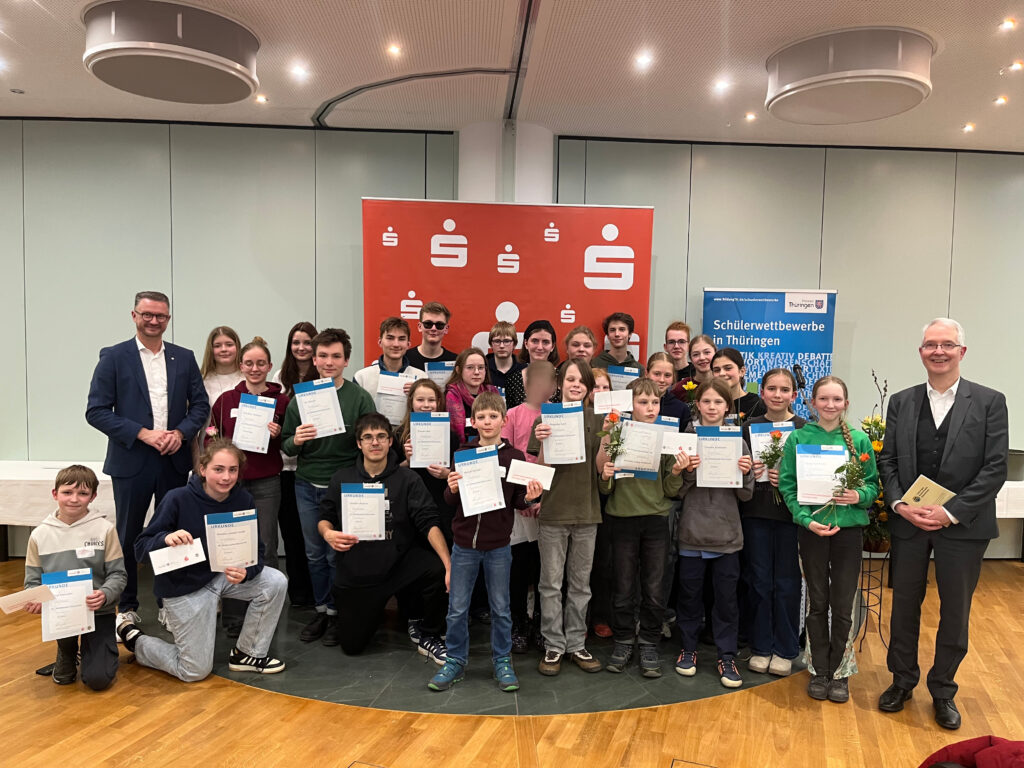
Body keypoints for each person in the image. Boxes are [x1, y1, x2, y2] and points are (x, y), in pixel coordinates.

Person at [877, 318, 1008, 730]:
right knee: (904, 606)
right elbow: (888, 461)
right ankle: (902, 681)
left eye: (947, 344)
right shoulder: (901, 401)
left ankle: (943, 689)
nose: (938, 351)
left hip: (964, 526)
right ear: (921, 352)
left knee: (955, 610)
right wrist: (900, 504)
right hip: (910, 523)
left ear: (961, 352)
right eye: (931, 344)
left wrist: (950, 511)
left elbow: (995, 467)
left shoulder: (989, 401)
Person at [85, 290, 209, 624]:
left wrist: (180, 433)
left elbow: (200, 405)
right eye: (147, 314)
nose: (154, 321)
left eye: (161, 316)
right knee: (127, 536)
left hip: (173, 459)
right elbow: (96, 411)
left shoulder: (184, 357)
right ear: (134, 315)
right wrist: (143, 433)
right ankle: (126, 606)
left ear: (168, 318)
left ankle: (170, 602)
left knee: (175, 533)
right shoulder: (114, 357)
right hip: (131, 461)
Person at [121, 440, 288, 681]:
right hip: (184, 586)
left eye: (232, 470)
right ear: (202, 469)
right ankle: (136, 640)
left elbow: (256, 552)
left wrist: (248, 571)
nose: (226, 477)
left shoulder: (243, 500)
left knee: (275, 581)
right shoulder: (177, 498)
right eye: (218, 469)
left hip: (222, 576)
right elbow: (140, 548)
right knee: (194, 671)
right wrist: (165, 538)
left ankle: (248, 654)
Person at [429, 393, 544, 692]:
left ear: (504, 421)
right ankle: (455, 660)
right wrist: (451, 487)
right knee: (457, 608)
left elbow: (518, 501)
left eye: (493, 416)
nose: (487, 422)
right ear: (473, 421)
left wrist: (532, 497)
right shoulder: (463, 453)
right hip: (464, 545)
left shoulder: (514, 456)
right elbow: (451, 500)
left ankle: (502, 660)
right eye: (481, 417)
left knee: (501, 608)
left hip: (498, 546)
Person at [317, 413, 451, 662]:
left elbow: (428, 521)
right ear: (359, 444)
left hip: (399, 564)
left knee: (436, 569)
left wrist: (448, 563)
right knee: (352, 647)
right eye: (368, 437)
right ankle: (372, 612)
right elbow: (325, 517)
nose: (375, 442)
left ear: (390, 442)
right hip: (359, 572)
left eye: (381, 436)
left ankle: (428, 633)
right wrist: (328, 533)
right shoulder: (342, 478)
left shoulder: (408, 479)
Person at [778, 376, 879, 704]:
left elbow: (872, 486)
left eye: (837, 399)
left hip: (849, 533)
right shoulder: (798, 438)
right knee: (817, 602)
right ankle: (819, 669)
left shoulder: (859, 441)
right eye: (824, 399)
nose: (830, 405)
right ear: (812, 403)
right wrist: (806, 520)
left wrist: (858, 495)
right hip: (813, 532)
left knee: (843, 604)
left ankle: (840, 672)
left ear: (846, 404)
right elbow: (788, 486)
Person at [281, 328, 376, 645]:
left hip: (343, 487)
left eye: (336, 356)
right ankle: (321, 610)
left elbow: (369, 442)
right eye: (323, 355)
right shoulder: (301, 398)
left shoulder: (359, 397)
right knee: (314, 554)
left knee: (338, 555)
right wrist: (296, 439)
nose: (329, 362)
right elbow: (285, 445)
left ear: (346, 361)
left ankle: (338, 612)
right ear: (314, 359)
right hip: (306, 485)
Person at [600, 379, 688, 678]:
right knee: (623, 586)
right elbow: (605, 487)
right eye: (643, 402)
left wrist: (676, 471)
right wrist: (606, 474)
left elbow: (671, 490)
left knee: (654, 587)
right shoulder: (616, 433)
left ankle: (649, 642)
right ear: (630, 405)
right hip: (622, 518)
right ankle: (624, 640)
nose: (650, 408)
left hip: (656, 520)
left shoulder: (666, 437)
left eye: (655, 402)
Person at [674, 378, 755, 688]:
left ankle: (726, 655)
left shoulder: (738, 442)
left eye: (718, 402)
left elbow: (746, 495)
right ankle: (688, 649)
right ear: (697, 405)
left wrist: (745, 472)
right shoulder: (686, 440)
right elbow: (676, 491)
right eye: (706, 401)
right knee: (689, 598)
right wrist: (687, 471)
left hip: (727, 537)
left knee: (726, 602)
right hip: (691, 535)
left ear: (727, 406)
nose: (712, 407)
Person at [529, 360, 605, 675]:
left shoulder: (600, 419)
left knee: (580, 585)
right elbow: (540, 472)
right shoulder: (545, 418)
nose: (576, 385)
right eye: (571, 379)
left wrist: (611, 437)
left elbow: (601, 469)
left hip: (587, 512)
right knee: (550, 583)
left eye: (582, 380)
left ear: (588, 387)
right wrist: (543, 442)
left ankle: (576, 643)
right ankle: (553, 645)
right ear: (561, 383)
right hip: (553, 513)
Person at [23, 465, 127, 690]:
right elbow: (32, 582)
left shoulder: (105, 529)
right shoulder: (39, 535)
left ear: (93, 496)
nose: (74, 499)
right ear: (55, 494)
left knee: (98, 680)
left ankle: (94, 648)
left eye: (83, 493)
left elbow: (118, 574)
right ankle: (67, 649)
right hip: (62, 613)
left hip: (99, 611)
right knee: (64, 679)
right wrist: (35, 599)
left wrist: (105, 594)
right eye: (67, 492)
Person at [740, 369, 805, 677]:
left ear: (794, 395)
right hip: (756, 513)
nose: (778, 395)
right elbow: (736, 469)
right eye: (772, 389)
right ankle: (761, 646)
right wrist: (747, 470)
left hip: (790, 517)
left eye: (784, 389)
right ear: (762, 392)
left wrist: (790, 479)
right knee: (759, 581)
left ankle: (786, 648)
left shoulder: (804, 429)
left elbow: (813, 474)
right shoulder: (749, 427)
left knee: (788, 583)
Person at [209, 337, 289, 574]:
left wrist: (278, 435)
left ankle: (269, 589)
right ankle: (230, 589)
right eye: (249, 363)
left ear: (269, 366)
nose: (255, 369)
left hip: (267, 483)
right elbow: (212, 434)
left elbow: (290, 442)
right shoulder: (226, 400)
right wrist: (219, 451)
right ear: (241, 366)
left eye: (261, 363)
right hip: (230, 482)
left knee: (266, 543)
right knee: (231, 540)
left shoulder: (282, 402)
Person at [501, 360, 556, 653]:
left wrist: (544, 498)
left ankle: (541, 625)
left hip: (551, 500)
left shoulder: (559, 415)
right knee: (519, 568)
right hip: (519, 503)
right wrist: (523, 498)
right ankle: (519, 623)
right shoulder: (512, 415)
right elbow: (508, 456)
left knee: (545, 569)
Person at [271, 321, 317, 608]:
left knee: (314, 534)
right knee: (291, 533)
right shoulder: (279, 377)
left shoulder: (323, 375)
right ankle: (299, 593)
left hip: (313, 465)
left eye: (307, 342)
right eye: (296, 342)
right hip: (286, 466)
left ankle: (318, 590)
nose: (301, 347)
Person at [354, 317, 426, 427]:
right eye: (390, 338)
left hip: (409, 436)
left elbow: (428, 415)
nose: (396, 344)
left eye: (401, 339)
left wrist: (419, 394)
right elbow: (356, 418)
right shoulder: (361, 377)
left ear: (408, 344)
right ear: (380, 342)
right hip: (373, 436)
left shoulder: (421, 378)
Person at [445, 347, 500, 444]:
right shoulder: (450, 397)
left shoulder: (493, 393)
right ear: (458, 370)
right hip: (459, 449)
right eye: (470, 367)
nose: (476, 372)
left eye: (481, 367)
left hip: (490, 448)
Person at [505, 320, 559, 409]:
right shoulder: (513, 380)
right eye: (535, 341)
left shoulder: (563, 378)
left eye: (545, 342)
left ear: (552, 346)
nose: (540, 347)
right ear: (526, 344)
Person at [711, 348, 766, 424]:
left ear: (742, 371)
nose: (722, 373)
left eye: (728, 368)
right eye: (717, 370)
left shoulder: (759, 405)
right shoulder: (708, 405)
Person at [405, 301, 458, 370]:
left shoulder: (455, 362)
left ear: (446, 329)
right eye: (428, 324)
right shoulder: (404, 359)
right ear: (420, 326)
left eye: (439, 325)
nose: (433, 328)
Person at [646, 351, 691, 426]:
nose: (662, 380)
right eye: (657, 374)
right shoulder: (633, 402)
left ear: (673, 377)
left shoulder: (681, 409)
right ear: (647, 373)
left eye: (667, 375)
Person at [671, 334, 716, 402]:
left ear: (715, 354)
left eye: (707, 352)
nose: (702, 358)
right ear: (691, 358)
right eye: (696, 354)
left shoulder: (724, 385)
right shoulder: (679, 389)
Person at [484, 321, 524, 394]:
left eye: (506, 341)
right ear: (491, 344)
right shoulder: (483, 369)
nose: (502, 346)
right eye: (497, 341)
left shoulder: (525, 370)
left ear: (514, 344)